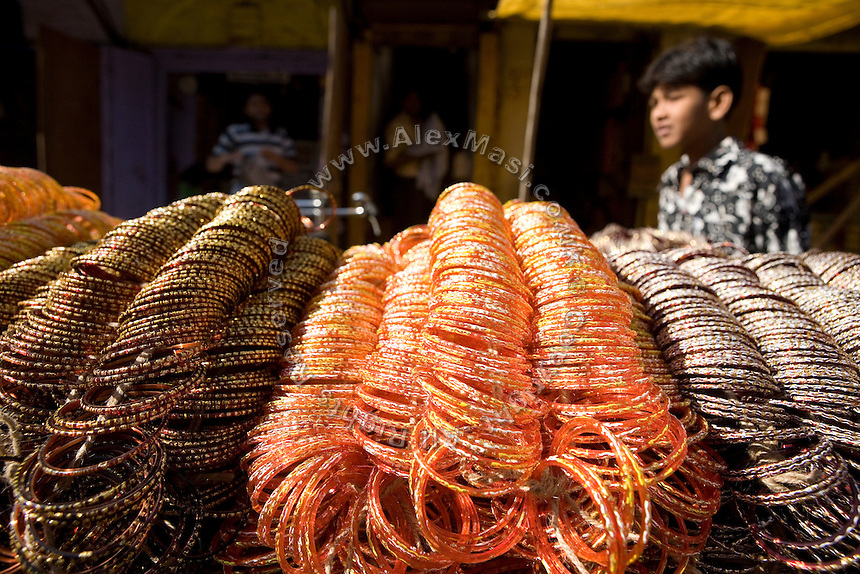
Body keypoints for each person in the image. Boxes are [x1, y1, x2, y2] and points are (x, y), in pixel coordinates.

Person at [639, 36, 811, 254]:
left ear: (718, 102)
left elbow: (790, 272)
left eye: (673, 97)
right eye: (654, 103)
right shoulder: (671, 179)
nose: (658, 114)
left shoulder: (762, 177)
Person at [205, 91, 299, 193]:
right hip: (241, 191)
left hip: (271, 191)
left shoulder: (280, 135)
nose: (259, 107)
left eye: (263, 103)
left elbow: (294, 168)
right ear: (246, 107)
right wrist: (231, 157)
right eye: (254, 104)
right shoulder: (235, 132)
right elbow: (211, 165)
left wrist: (275, 158)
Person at [382, 89, 449, 230]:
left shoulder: (416, 122)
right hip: (404, 183)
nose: (415, 104)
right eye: (411, 100)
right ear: (403, 102)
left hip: (415, 183)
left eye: (416, 100)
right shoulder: (399, 124)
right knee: (406, 225)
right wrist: (421, 152)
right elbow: (391, 160)